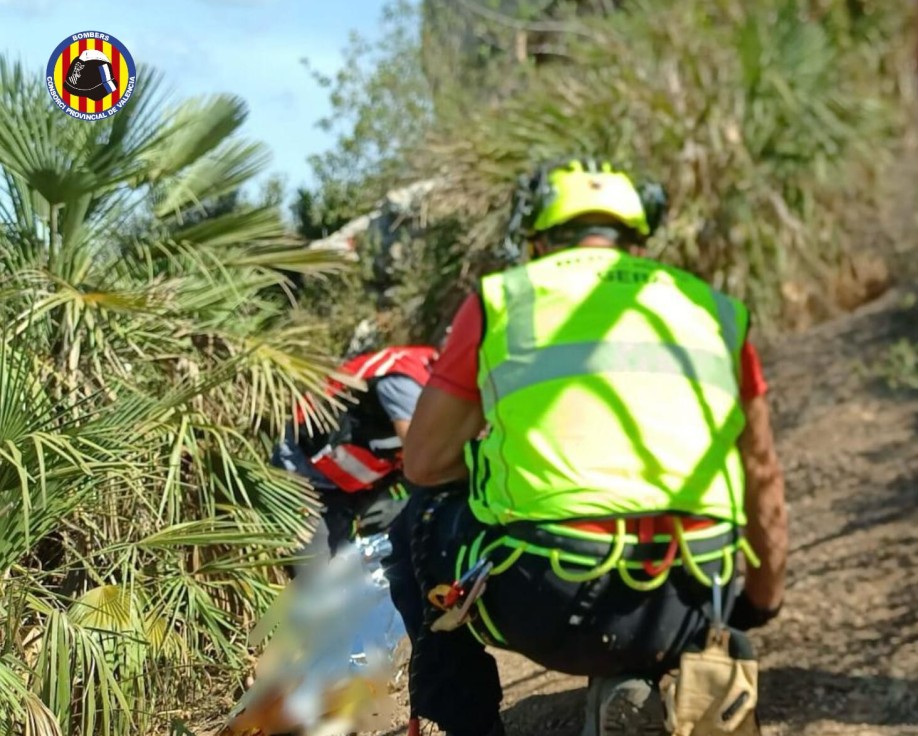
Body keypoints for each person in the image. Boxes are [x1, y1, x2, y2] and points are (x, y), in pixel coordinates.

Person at [385, 158, 788, 736]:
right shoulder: (716, 311)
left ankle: (468, 725)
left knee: (415, 520)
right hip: (693, 598)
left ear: (538, 239)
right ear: (638, 239)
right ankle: (643, 674)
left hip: (549, 597)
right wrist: (760, 601)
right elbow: (762, 471)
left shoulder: (503, 300)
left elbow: (423, 464)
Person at [272, 344, 439, 562]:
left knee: (339, 564)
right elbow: (422, 457)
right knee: (314, 567)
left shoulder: (427, 374)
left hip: (344, 485)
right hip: (302, 468)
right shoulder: (407, 381)